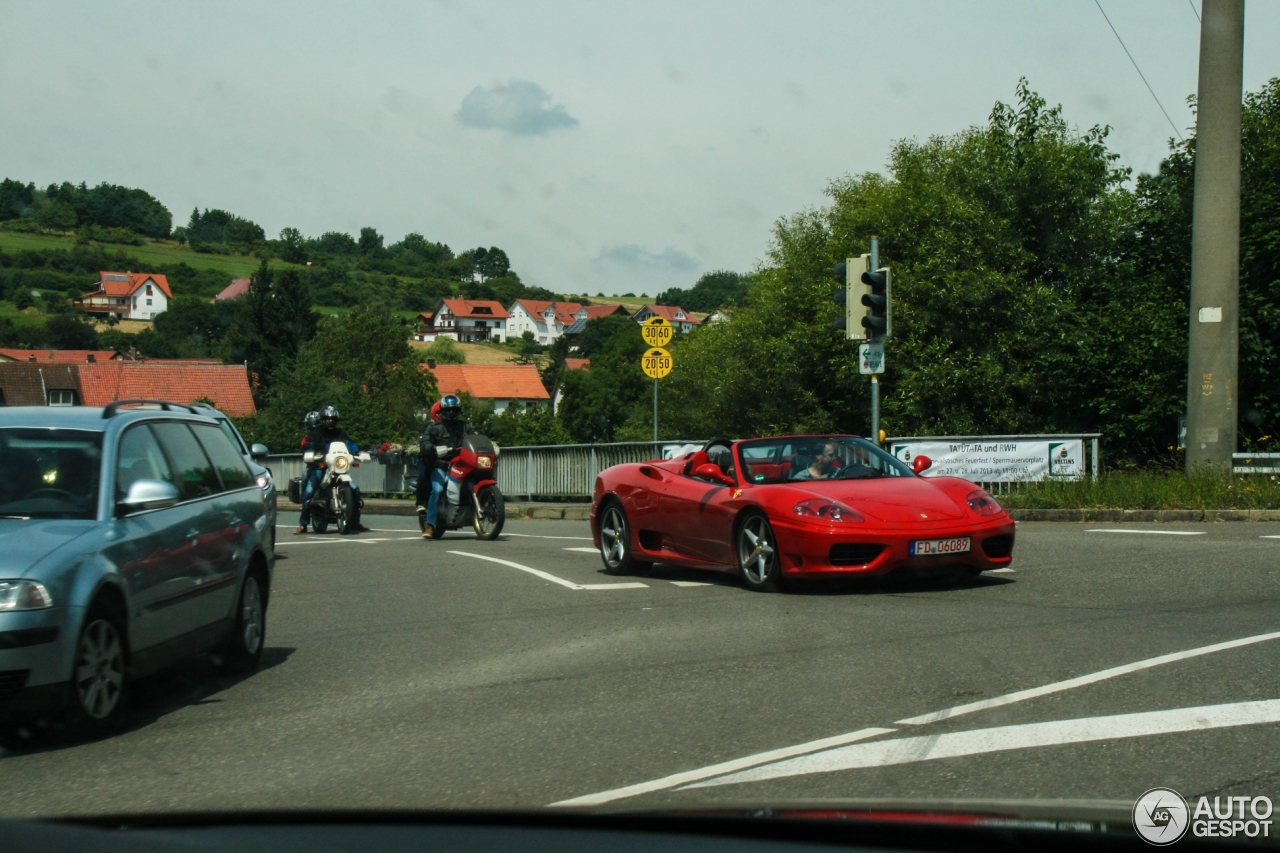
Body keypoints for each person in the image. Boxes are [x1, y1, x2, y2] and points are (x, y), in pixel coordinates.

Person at [295, 406, 369, 534]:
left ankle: (355, 522)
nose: (330, 421)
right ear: (322, 420)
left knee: (355, 490)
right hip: (321, 466)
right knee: (309, 491)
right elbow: (309, 445)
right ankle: (303, 524)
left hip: (338, 466)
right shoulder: (315, 433)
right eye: (327, 419)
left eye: (332, 419)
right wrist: (310, 452)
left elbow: (350, 443)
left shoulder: (340, 433)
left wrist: (357, 452)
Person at [418, 394, 474, 539]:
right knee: (437, 489)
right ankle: (430, 525)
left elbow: (474, 439)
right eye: (448, 410)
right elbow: (424, 443)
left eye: (454, 410)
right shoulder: (434, 428)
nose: (451, 413)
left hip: (461, 464)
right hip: (441, 465)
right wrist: (432, 449)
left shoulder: (465, 426)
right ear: (442, 411)